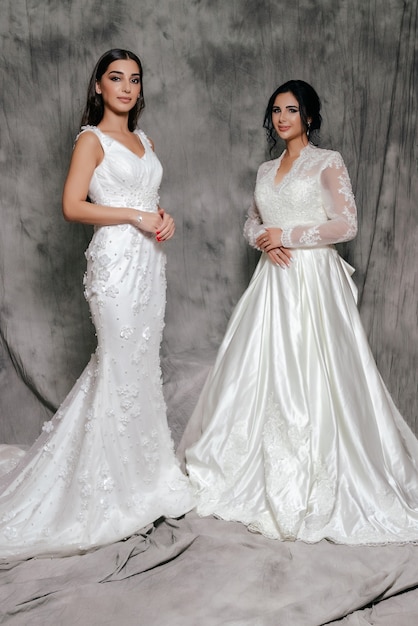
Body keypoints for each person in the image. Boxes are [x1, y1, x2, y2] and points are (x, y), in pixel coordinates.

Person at [180, 80, 418, 545]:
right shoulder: (266, 169)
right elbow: (253, 221)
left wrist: (285, 234)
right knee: (259, 371)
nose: (282, 117)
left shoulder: (327, 162)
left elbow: (347, 224)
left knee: (315, 371)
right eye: (275, 110)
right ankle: (247, 465)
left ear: (309, 116)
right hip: (274, 282)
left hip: (312, 280)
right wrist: (262, 239)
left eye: (291, 109)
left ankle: (324, 473)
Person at [0, 49, 194, 560]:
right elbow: (72, 205)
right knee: (119, 365)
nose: (127, 88)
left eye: (134, 79)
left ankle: (147, 474)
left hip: (150, 267)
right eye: (116, 78)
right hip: (114, 268)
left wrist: (161, 216)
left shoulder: (143, 140)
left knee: (140, 368)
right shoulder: (92, 140)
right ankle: (111, 486)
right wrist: (134, 217)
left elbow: (146, 200)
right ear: (98, 87)